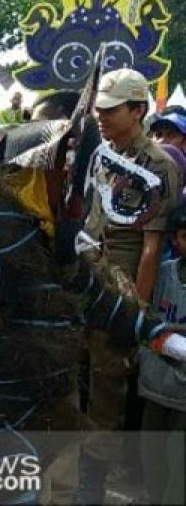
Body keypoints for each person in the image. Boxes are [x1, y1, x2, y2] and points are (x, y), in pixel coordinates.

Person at [78, 68, 182, 503]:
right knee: (78, 374)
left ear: (138, 110)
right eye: (98, 109)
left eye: (111, 109)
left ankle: (94, 482)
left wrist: (135, 311)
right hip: (85, 270)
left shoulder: (157, 164)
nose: (101, 116)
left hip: (120, 281)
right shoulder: (99, 153)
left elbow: (150, 248)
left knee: (106, 381)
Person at [138, 201, 186, 506]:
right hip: (155, 387)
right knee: (151, 457)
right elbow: (146, 322)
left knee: (178, 466)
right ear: (174, 239)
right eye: (185, 235)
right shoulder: (162, 273)